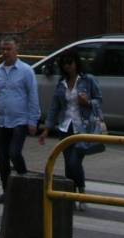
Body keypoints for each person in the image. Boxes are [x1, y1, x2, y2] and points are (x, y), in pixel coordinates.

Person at [38, 50, 103, 210]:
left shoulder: (88, 80)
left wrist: (87, 102)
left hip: (82, 127)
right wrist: (47, 128)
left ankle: (81, 193)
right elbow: (54, 107)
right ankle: (71, 195)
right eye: (64, 64)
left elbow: (99, 100)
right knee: (69, 164)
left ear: (76, 63)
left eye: (70, 62)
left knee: (75, 162)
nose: (68, 66)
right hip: (65, 127)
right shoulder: (61, 83)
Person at [0, 35, 40, 202]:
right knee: (3, 159)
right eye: (3, 49)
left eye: (9, 49)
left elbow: (33, 96)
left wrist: (33, 121)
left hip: (20, 120)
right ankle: (7, 190)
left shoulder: (26, 71)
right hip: (2, 121)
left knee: (15, 153)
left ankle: (25, 181)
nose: (5, 52)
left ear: (16, 49)